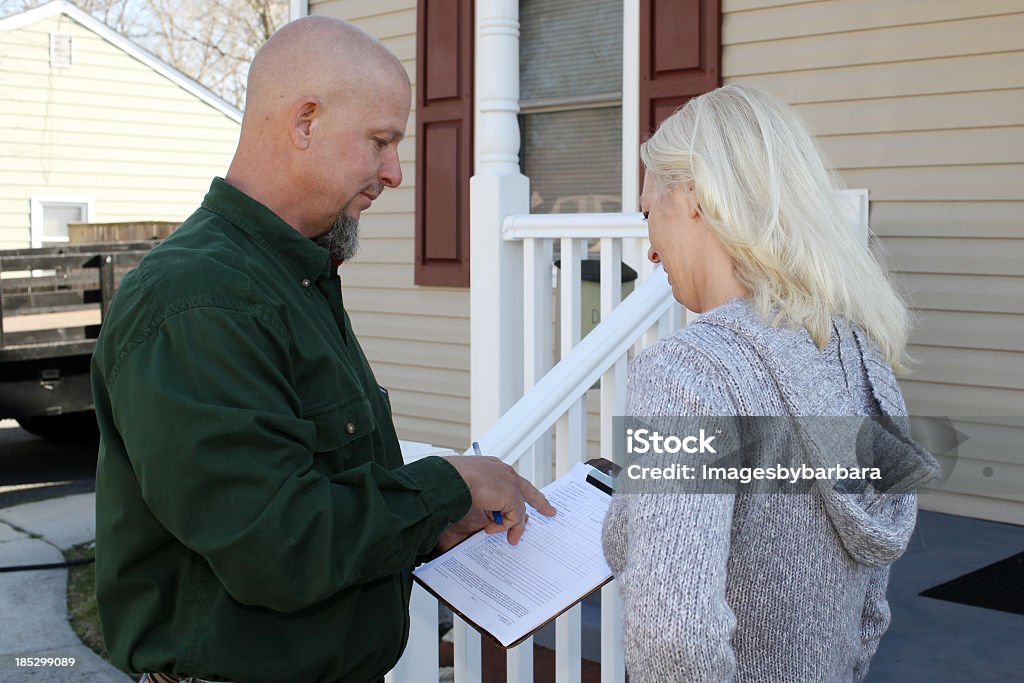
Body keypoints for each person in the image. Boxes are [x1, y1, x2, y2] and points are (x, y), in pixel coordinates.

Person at [92, 16, 554, 683]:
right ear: (304, 121)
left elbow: (319, 494)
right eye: (380, 141)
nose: (395, 172)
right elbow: (276, 544)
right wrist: (444, 487)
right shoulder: (198, 300)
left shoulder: (290, 280)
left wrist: (429, 529)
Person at [601, 85, 940, 681]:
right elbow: (870, 605)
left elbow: (674, 636)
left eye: (649, 212)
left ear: (696, 197)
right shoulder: (860, 355)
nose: (649, 250)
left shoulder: (689, 373)